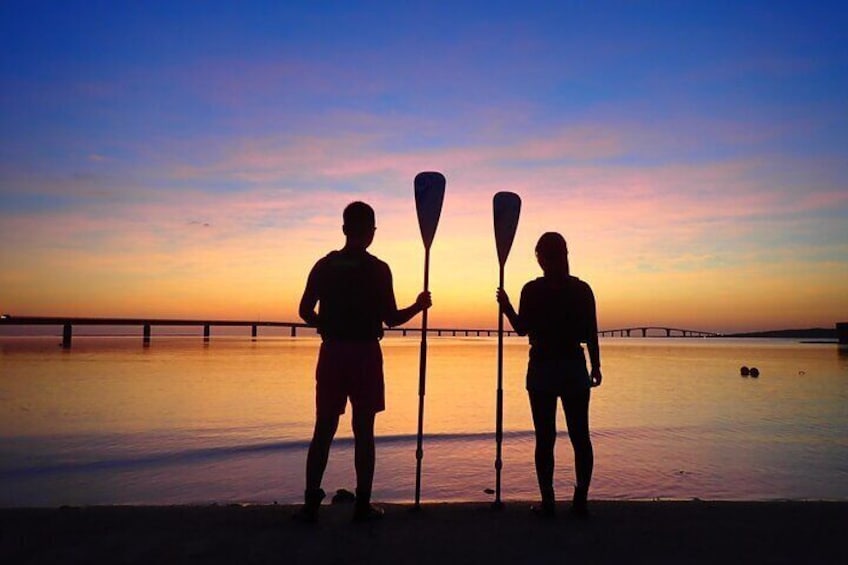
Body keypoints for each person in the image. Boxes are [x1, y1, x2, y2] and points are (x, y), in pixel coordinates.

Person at [296, 201, 432, 522]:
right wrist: (419, 305)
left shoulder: (324, 266)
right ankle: (362, 504)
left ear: (344, 229)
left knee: (324, 429)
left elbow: (304, 310)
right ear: (371, 232)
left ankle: (311, 504)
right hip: (365, 356)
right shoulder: (378, 268)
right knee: (364, 431)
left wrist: (326, 325)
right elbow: (392, 319)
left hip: (332, 354)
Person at [496, 232, 602, 518]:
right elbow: (590, 332)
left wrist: (506, 308)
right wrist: (596, 365)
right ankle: (580, 499)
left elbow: (521, 328)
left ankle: (549, 501)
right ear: (565, 254)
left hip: (543, 366)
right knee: (580, 435)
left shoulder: (532, 289)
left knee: (546, 438)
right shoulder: (582, 290)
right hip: (572, 366)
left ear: (541, 258)